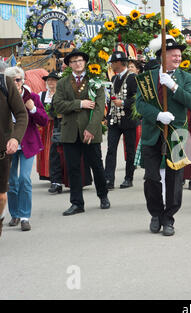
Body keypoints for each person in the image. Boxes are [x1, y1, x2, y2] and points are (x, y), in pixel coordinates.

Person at [135, 35, 191, 236]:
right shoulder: (147, 77)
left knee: (175, 179)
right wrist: (157, 115)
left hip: (176, 133)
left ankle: (169, 218)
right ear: (162, 57)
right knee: (151, 177)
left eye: (179, 55)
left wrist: (173, 86)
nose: (178, 58)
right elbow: (140, 104)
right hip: (152, 132)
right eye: (173, 55)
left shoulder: (186, 78)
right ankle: (155, 213)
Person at [53, 49, 110, 216]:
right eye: (73, 61)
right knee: (73, 168)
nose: (77, 63)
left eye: (80, 60)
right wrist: (80, 104)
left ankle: (103, 195)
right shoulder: (63, 82)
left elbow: (99, 108)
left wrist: (91, 129)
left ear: (85, 63)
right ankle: (77, 203)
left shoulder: (95, 81)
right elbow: (58, 105)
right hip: (70, 132)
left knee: (96, 165)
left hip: (90, 131)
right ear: (69, 65)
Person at [4, 66, 48, 231]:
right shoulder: (4, 98)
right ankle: (14, 214)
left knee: (24, 178)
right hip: (9, 144)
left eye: (19, 79)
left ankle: (24, 216)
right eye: (13, 80)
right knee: (11, 181)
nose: (16, 82)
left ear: (23, 80)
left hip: (28, 143)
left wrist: (33, 109)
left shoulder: (32, 97)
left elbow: (43, 120)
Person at [104, 51, 138, 190]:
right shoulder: (113, 79)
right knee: (111, 149)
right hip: (114, 119)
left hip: (128, 119)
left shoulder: (133, 77)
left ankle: (128, 178)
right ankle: (108, 179)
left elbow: (137, 98)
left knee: (130, 150)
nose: (111, 65)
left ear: (119, 63)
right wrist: (107, 117)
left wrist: (124, 103)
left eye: (113, 62)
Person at [0, 71, 28, 237]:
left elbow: (21, 114)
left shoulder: (5, 82)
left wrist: (15, 138)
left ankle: (1, 217)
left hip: (2, 152)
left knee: (2, 197)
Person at [37, 71, 65, 194]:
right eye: (49, 80)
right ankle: (48, 174)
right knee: (46, 151)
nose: (51, 82)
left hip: (57, 125)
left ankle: (58, 177)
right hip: (45, 126)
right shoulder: (41, 95)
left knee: (56, 151)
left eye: (53, 80)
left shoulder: (60, 94)